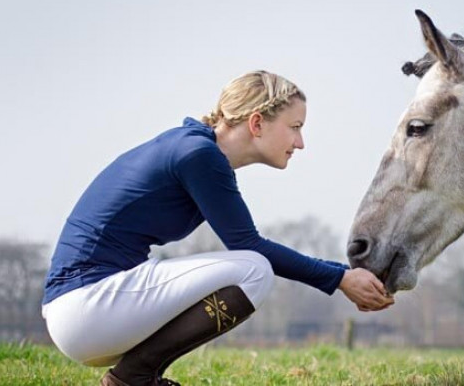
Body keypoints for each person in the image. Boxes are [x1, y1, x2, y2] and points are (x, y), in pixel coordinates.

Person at [41, 70, 394, 386]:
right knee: (254, 270)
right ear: (257, 124)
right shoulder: (198, 154)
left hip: (89, 313)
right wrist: (340, 278)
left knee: (249, 266)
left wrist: (339, 276)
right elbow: (249, 245)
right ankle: (133, 378)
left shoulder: (192, 147)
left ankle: (138, 376)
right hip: (87, 308)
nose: (300, 143)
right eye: (296, 127)